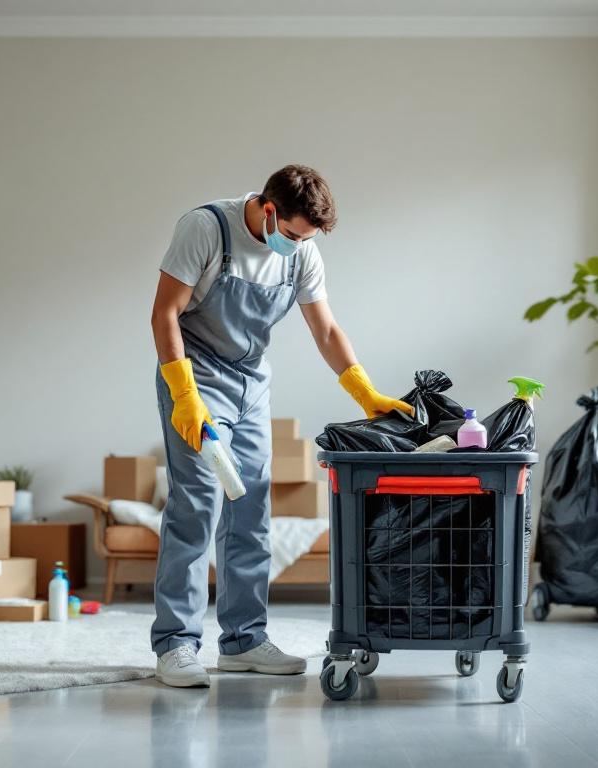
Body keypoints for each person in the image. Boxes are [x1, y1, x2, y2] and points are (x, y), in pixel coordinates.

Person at [149, 164, 414, 688]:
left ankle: (244, 640)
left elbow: (326, 328)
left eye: (305, 239)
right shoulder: (206, 229)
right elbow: (164, 313)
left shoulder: (303, 252)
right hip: (195, 376)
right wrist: (185, 396)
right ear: (268, 210)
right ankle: (176, 644)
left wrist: (366, 393)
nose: (295, 246)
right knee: (197, 503)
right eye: (291, 234)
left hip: (251, 385)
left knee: (252, 508)